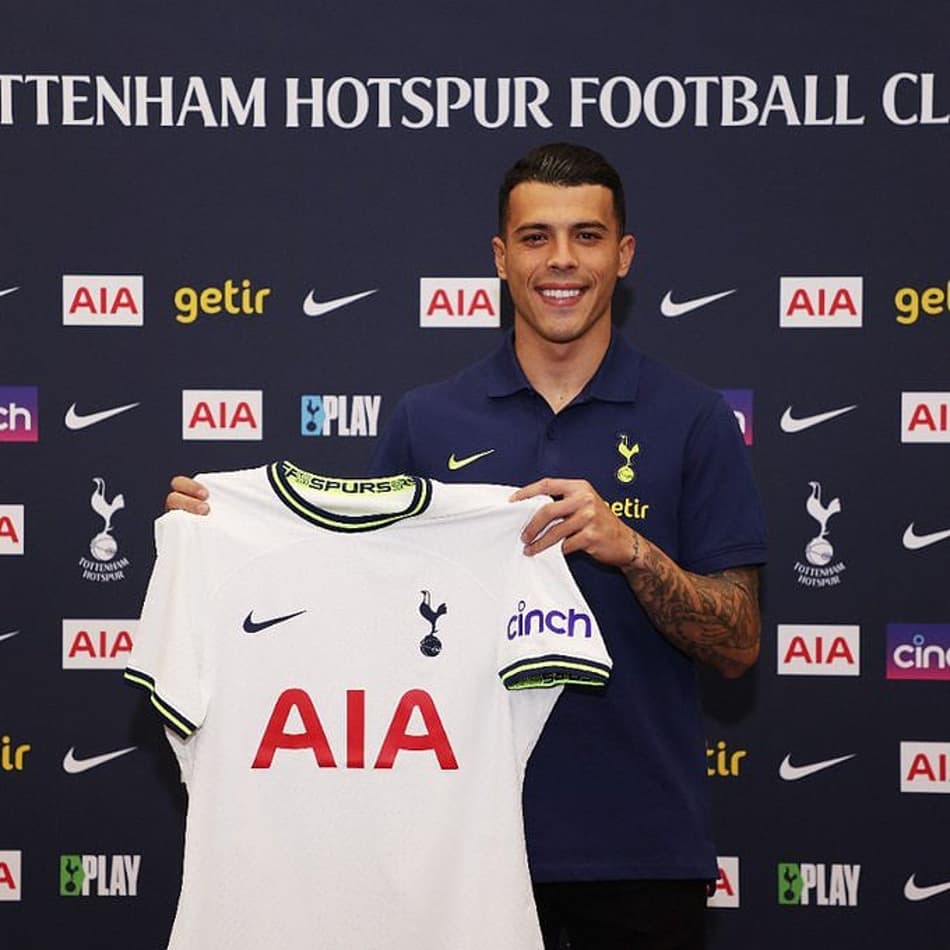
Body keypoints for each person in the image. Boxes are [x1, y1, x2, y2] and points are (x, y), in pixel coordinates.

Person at [167, 142, 767, 950]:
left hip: (639, 849)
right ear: (500, 257)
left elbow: (738, 642)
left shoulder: (694, 419)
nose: (562, 260)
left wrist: (633, 550)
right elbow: (356, 615)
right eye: (536, 237)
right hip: (451, 851)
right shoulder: (429, 420)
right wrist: (227, 540)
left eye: (588, 236)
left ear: (623, 256)